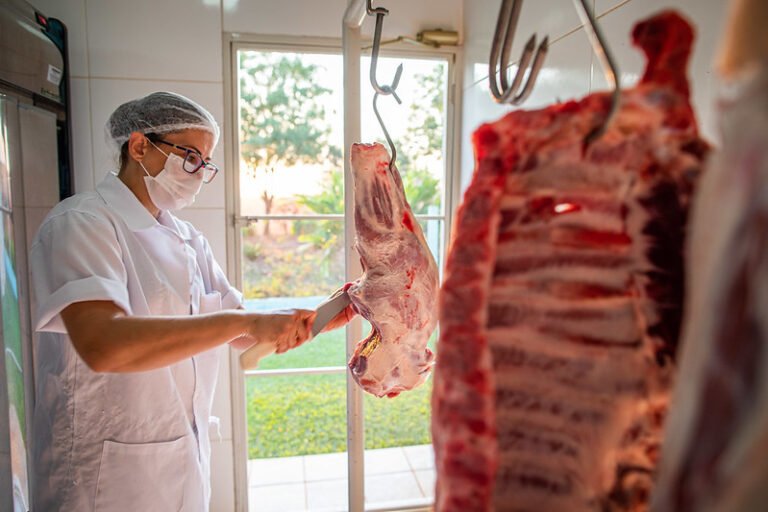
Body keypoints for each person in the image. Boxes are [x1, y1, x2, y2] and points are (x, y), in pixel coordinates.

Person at [28, 91, 353, 511]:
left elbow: (239, 329)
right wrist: (245, 324)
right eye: (191, 157)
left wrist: (321, 316)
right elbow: (103, 344)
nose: (199, 173)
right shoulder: (83, 223)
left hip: (179, 462)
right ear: (140, 145)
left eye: (206, 163)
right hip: (102, 475)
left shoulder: (186, 238)